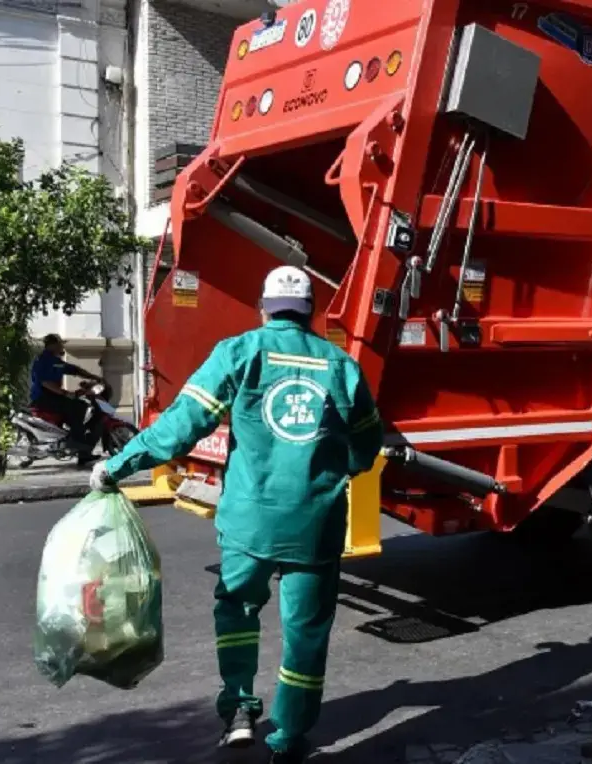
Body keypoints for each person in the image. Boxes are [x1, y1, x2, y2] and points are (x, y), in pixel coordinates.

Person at [89, 265, 383, 764]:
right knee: (307, 631)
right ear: (310, 310)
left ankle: (240, 711)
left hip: (249, 522)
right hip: (314, 526)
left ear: (263, 307)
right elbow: (364, 447)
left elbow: (180, 427)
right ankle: (290, 736)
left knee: (238, 610)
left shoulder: (239, 353)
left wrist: (116, 467)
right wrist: (330, 466)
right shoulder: (340, 365)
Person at [30, 333, 104, 466]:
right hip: (44, 399)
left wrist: (94, 377)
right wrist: (65, 393)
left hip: (53, 397)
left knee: (79, 406)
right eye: (59, 344)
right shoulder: (44, 360)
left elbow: (73, 369)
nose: (61, 346)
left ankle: (78, 445)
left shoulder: (55, 361)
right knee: (78, 408)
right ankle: (79, 448)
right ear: (52, 345)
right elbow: (45, 382)